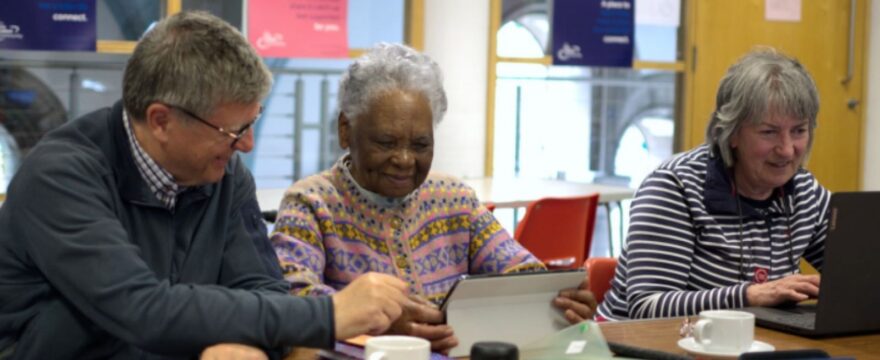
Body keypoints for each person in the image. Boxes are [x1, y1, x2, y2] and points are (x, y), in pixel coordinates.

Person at [0, 11, 413, 359]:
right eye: (233, 130)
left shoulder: (224, 176)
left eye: (251, 123)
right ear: (162, 120)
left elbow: (262, 289)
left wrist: (238, 342)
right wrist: (327, 317)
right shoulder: (60, 177)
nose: (247, 144)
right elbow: (141, 309)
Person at [269, 43, 598, 352]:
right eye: (385, 142)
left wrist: (556, 296)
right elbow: (293, 297)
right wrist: (374, 319)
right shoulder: (311, 203)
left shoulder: (453, 199)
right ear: (345, 129)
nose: (404, 159)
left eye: (421, 145)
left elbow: (518, 269)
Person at [596, 49, 830, 321]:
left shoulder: (804, 192)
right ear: (730, 133)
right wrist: (750, 295)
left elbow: (861, 273)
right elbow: (648, 306)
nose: (788, 150)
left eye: (799, 130)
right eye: (769, 132)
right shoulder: (675, 187)